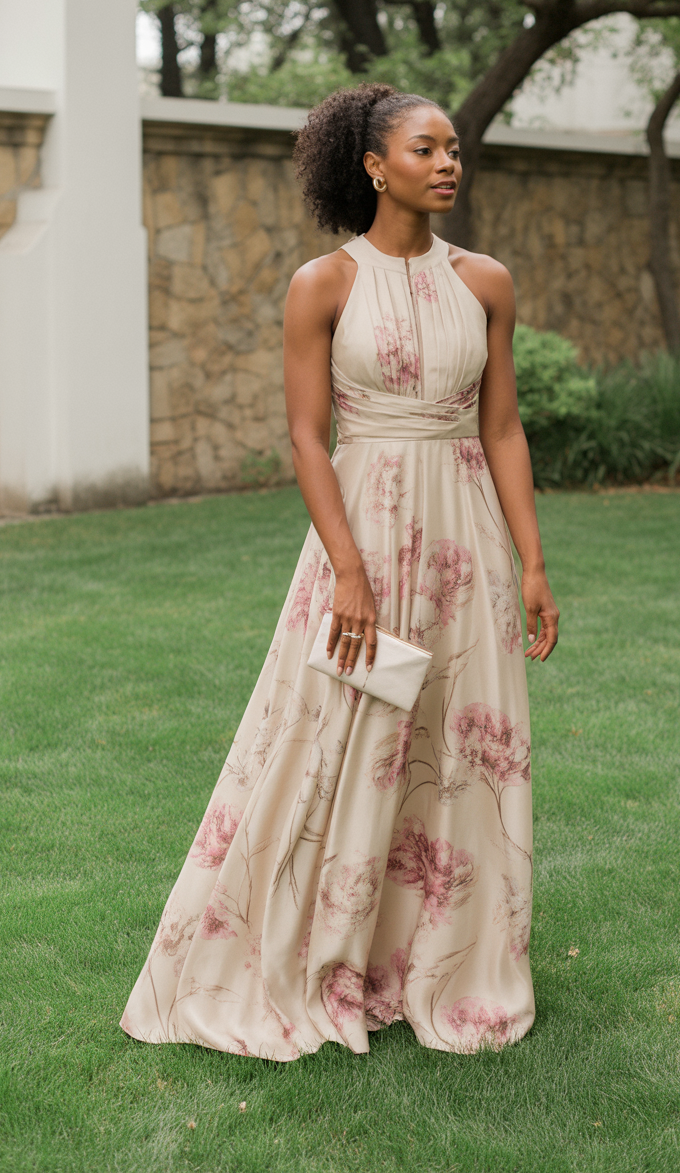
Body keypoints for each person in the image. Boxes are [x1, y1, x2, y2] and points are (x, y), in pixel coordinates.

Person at [120, 83, 559, 1060]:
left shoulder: (485, 280)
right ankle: (311, 954)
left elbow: (500, 426)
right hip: (358, 539)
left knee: (456, 750)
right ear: (371, 165)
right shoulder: (324, 283)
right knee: (335, 740)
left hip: (465, 545)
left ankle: (442, 963)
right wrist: (348, 573)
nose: (448, 163)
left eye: (453, 149)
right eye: (424, 148)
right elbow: (309, 440)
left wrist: (530, 561)